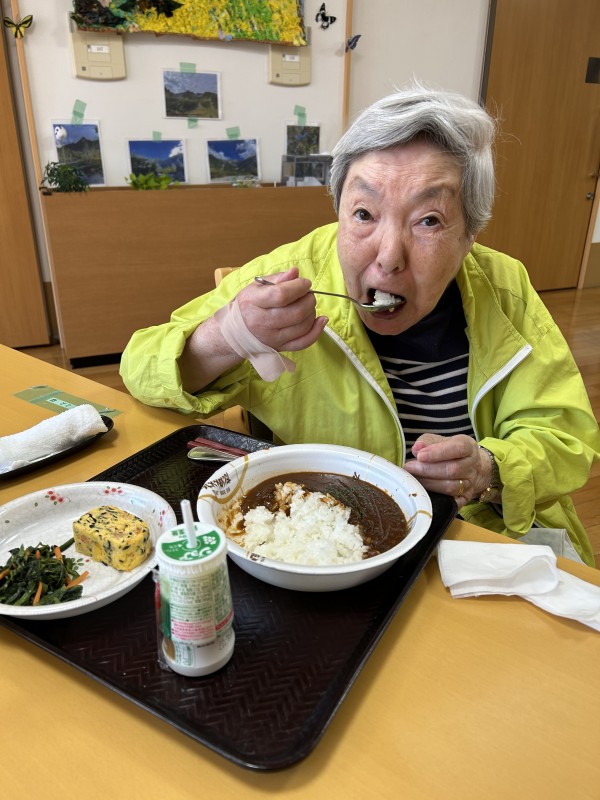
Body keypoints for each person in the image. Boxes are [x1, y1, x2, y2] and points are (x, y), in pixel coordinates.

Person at [120, 82, 600, 566]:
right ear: (338, 211)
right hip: (333, 545)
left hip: (481, 539)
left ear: (470, 234)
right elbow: (141, 366)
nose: (389, 257)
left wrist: (488, 470)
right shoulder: (289, 278)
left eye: (429, 220)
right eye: (364, 214)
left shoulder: (504, 287)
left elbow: (566, 437)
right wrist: (229, 335)